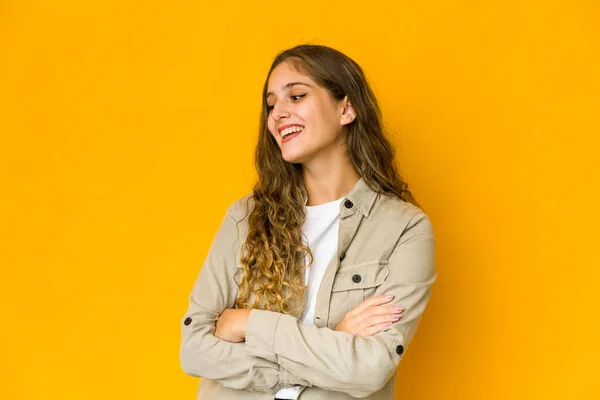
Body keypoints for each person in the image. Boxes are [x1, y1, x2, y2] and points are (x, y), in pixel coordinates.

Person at [179, 44, 437, 399]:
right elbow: (194, 349)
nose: (277, 115)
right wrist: (335, 342)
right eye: (271, 105)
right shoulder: (245, 217)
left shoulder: (404, 229)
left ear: (346, 108)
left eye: (296, 96)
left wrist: (249, 325)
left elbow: (369, 369)